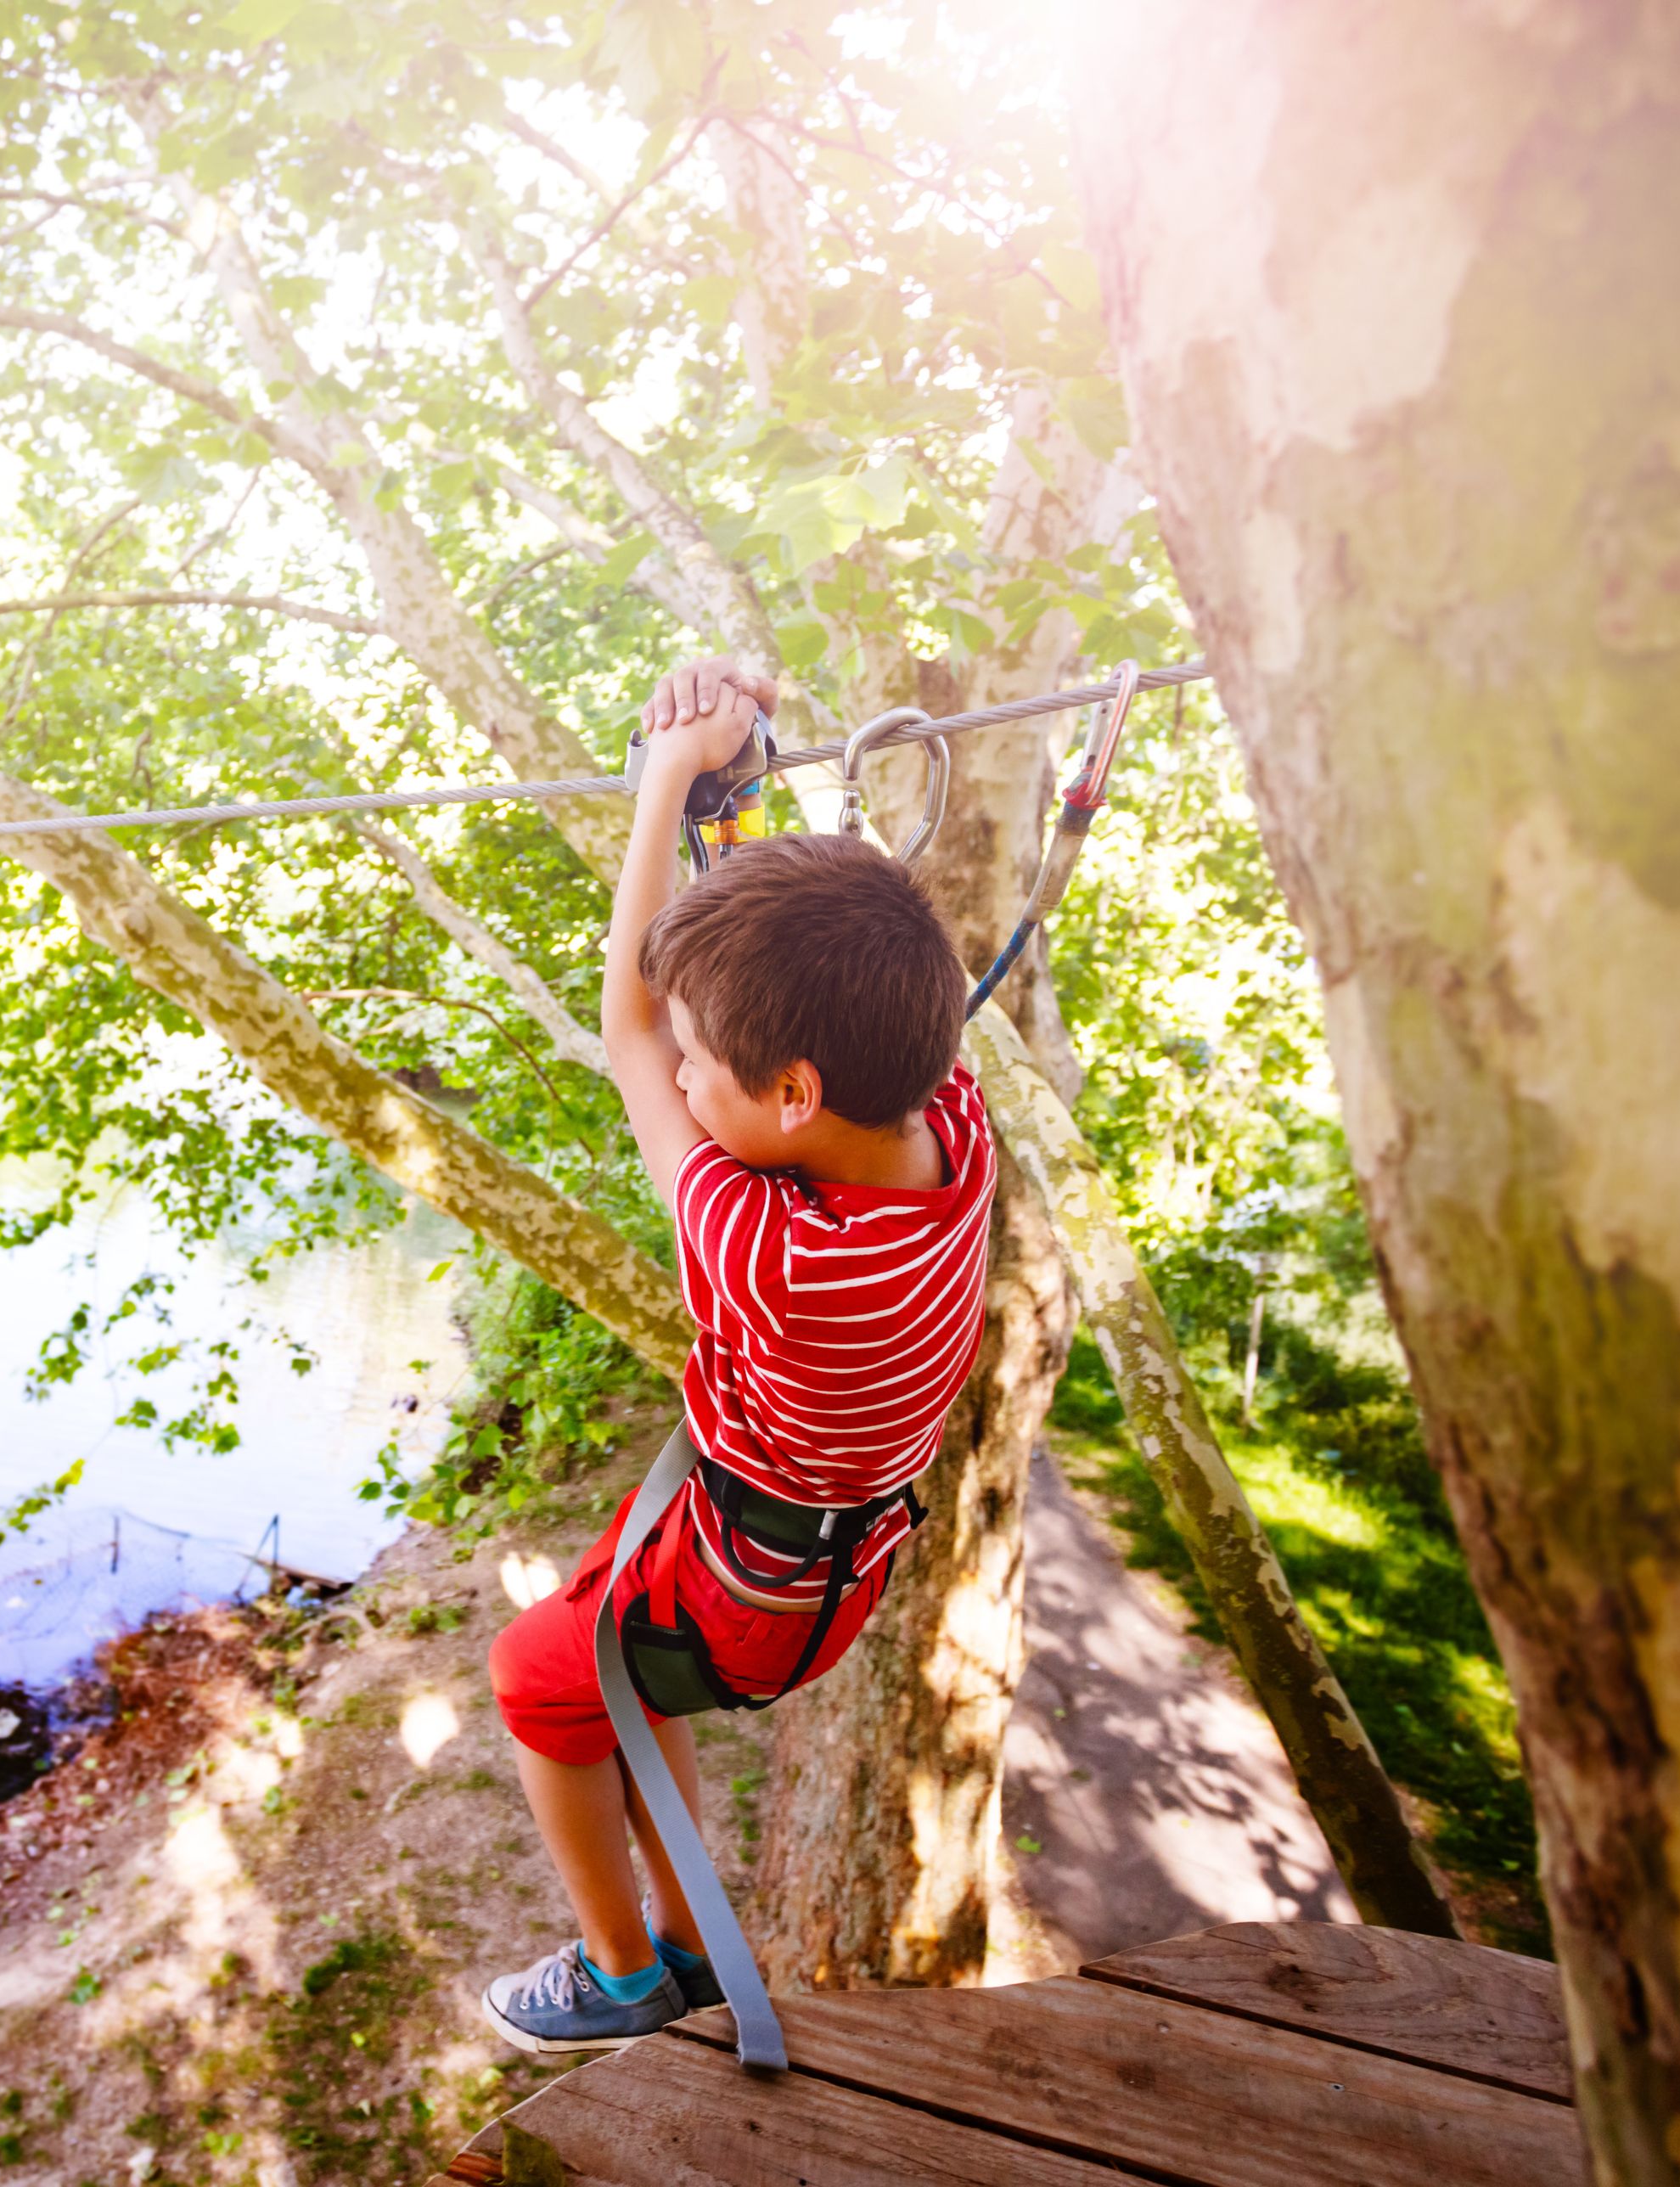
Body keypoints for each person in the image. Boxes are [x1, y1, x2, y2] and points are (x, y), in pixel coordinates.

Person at [478, 655, 1000, 2054]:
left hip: (752, 1580)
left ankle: (624, 1979)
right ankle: (697, 1945)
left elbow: (630, 1026)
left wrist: (666, 775)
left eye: (712, 1069)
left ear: (794, 1092)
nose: (686, 1084)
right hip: (814, 1544)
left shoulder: (771, 1248)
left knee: (540, 1676)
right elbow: (779, 988)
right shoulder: (951, 1124)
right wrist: (736, 797)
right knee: (621, 1691)